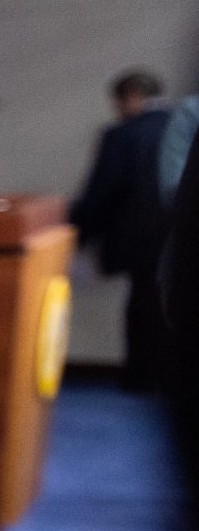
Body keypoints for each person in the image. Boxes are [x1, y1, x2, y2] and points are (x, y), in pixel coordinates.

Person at [69, 68, 174, 392]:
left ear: (129, 98)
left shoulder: (123, 135)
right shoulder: (184, 127)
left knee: (143, 308)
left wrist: (78, 234)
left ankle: (141, 379)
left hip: (142, 240)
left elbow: (103, 191)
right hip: (181, 237)